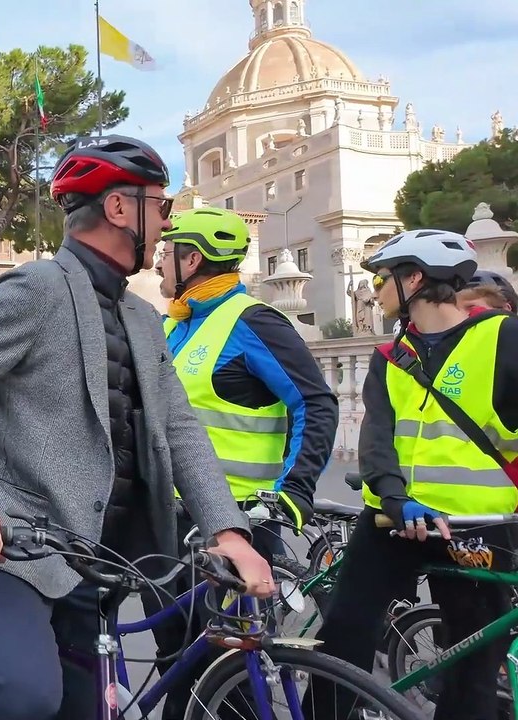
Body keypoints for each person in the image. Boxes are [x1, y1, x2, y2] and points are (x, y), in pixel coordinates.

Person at [0, 134, 275, 720]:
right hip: (16, 547)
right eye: (161, 205)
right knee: (17, 691)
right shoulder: (34, 290)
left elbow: (179, 429)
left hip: (100, 556)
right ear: (120, 208)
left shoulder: (144, 319)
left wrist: (226, 530)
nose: (167, 222)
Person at [315, 229, 518, 720]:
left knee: (472, 669)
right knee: (342, 638)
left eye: (384, 278)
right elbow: (376, 440)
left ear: (414, 278)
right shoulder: (390, 358)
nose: (377, 290)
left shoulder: (504, 338)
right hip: (393, 521)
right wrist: (392, 498)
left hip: (478, 525)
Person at [154, 207, 339, 716]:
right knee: (178, 664)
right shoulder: (179, 325)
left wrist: (294, 492)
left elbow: (316, 402)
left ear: (191, 259)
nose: (156, 262)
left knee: (231, 672)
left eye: (165, 254)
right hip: (168, 523)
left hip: (236, 524)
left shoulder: (253, 320)